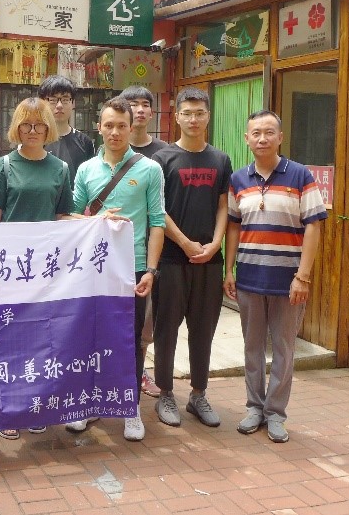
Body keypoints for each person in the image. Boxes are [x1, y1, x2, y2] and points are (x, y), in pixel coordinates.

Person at [64, 96, 165, 442]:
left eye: (122, 126)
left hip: (132, 269)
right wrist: (97, 219)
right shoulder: (86, 170)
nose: (115, 132)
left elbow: (157, 222)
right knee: (90, 336)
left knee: (129, 339)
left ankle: (129, 406)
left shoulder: (149, 169)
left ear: (131, 127)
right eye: (109, 125)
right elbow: (69, 216)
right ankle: (90, 402)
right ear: (99, 127)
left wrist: (151, 270)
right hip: (93, 267)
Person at [224, 110, 326, 444]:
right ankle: (254, 407)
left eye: (269, 132)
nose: (262, 138)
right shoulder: (238, 179)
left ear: (280, 137)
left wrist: (303, 277)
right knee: (252, 348)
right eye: (256, 133)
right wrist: (229, 270)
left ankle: (276, 414)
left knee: (283, 349)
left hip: (288, 282)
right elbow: (234, 226)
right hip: (250, 278)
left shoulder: (300, 175)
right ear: (247, 139)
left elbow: (313, 226)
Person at [0, 97, 73, 439]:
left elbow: (63, 217)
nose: (32, 131)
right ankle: (8, 407)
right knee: (9, 338)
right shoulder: (4, 166)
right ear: (16, 128)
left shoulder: (60, 169)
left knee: (40, 338)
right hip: (9, 268)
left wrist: (101, 223)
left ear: (48, 130)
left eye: (39, 125)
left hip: (45, 270)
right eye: (26, 125)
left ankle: (35, 405)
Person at [150, 87, 232, 429]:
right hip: (171, 258)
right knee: (166, 329)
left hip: (209, 261)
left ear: (208, 116)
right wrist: (184, 243)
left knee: (203, 329)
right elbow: (158, 210)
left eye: (200, 113)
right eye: (187, 113)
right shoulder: (162, 159)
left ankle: (199, 394)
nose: (193, 119)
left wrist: (215, 243)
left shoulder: (220, 160)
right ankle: (166, 393)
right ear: (177, 117)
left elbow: (224, 206)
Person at [120, 85, 168, 398]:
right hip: (116, 254)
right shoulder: (107, 151)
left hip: (153, 251)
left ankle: (140, 372)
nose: (139, 110)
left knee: (147, 320)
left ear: (152, 111)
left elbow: (161, 212)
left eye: (144, 104)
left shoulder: (162, 153)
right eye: (132, 104)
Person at [39, 75, 95, 182]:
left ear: (73, 103)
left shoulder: (85, 142)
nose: (59, 105)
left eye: (65, 99)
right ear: (42, 103)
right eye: (52, 100)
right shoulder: (33, 139)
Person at [121, 85, 168, 159]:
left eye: (145, 105)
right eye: (134, 104)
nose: (141, 110)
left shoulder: (164, 150)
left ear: (151, 113)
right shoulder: (113, 148)